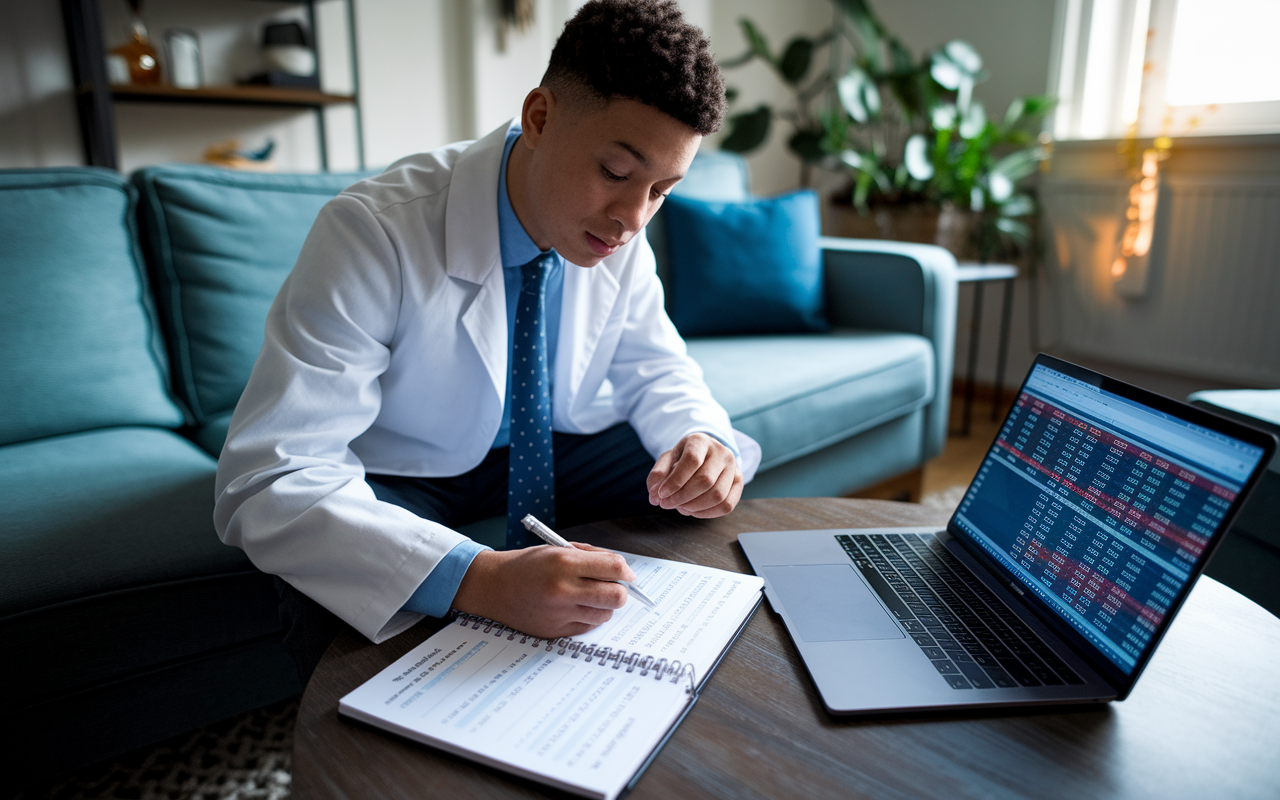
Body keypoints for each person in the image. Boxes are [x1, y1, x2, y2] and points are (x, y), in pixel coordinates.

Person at [214, 0, 760, 683]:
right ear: (539, 118)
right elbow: (268, 477)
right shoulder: (373, 231)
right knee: (323, 591)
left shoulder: (621, 229)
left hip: (544, 447)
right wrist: (478, 580)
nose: (631, 218)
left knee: (687, 485)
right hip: (402, 471)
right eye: (617, 173)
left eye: (661, 190)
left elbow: (655, 365)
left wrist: (700, 439)